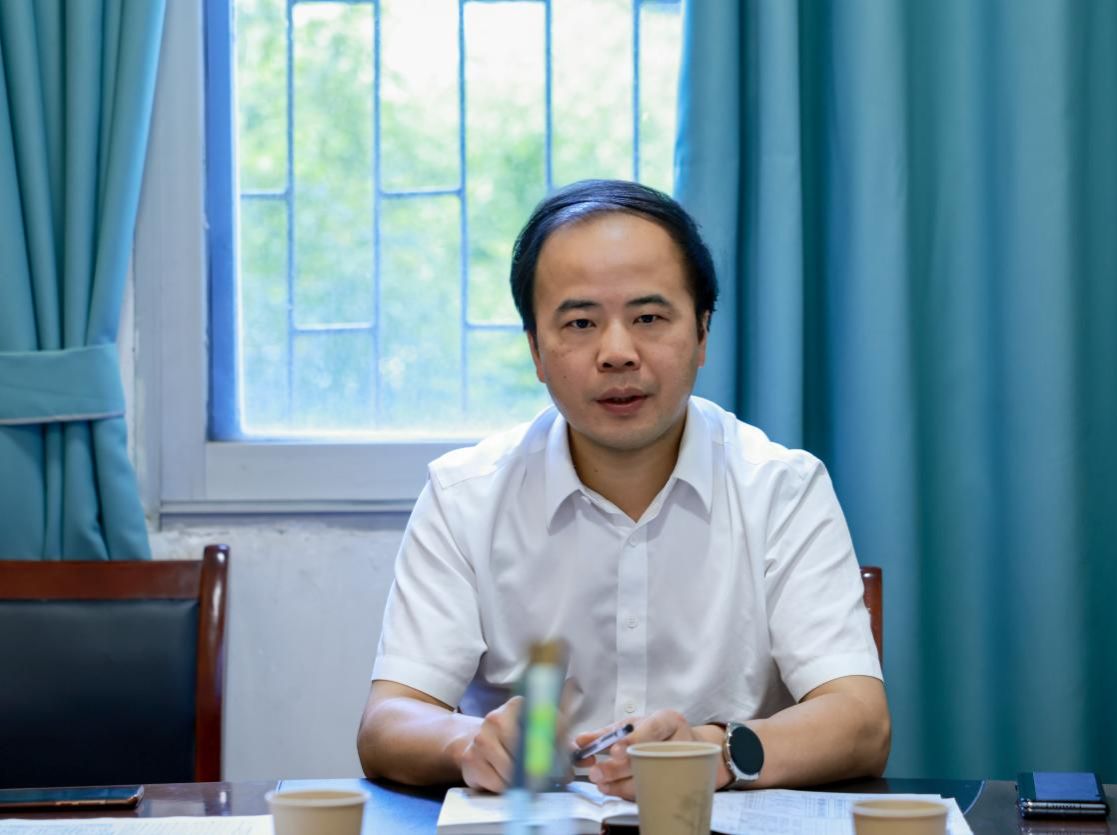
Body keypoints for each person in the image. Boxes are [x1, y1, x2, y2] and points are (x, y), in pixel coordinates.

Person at [357, 180, 890, 800]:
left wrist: (714, 751)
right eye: (581, 322)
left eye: (649, 318)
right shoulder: (464, 497)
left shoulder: (782, 489)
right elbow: (388, 722)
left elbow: (861, 722)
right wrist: (468, 742)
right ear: (535, 349)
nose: (617, 353)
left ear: (702, 333)